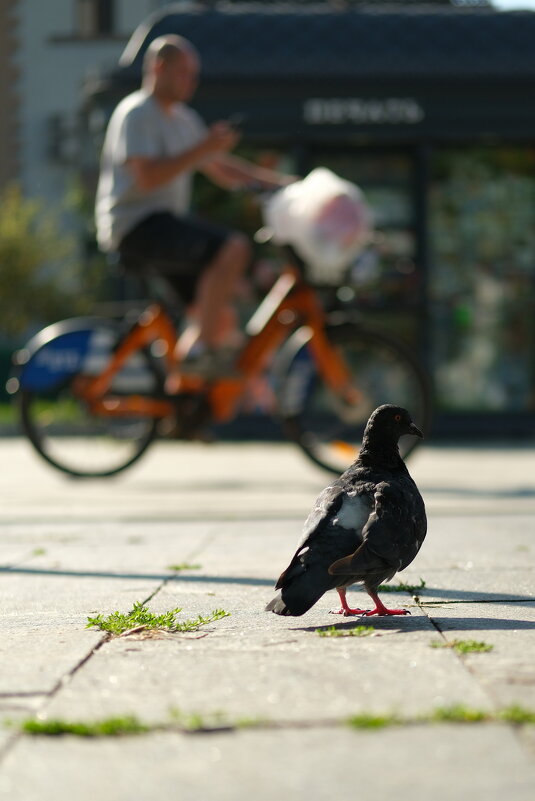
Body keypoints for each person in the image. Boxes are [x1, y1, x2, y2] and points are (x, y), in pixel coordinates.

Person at [95, 34, 292, 381]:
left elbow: (222, 167)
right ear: (159, 68)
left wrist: (281, 184)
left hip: (164, 225)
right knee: (233, 248)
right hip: (136, 227)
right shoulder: (137, 112)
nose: (192, 82)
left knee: (217, 318)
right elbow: (147, 178)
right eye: (185, 73)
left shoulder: (183, 119)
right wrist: (202, 149)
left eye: (194, 75)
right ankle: (199, 349)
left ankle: (185, 405)